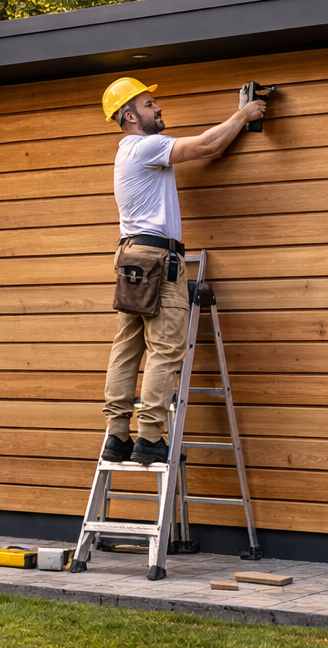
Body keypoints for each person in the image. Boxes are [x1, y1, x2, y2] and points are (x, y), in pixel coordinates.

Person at [97, 77, 267, 465]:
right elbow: (206, 144)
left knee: (127, 347)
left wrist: (233, 124)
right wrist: (245, 112)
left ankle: (118, 436)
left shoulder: (128, 152)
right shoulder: (148, 146)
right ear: (129, 115)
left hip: (130, 256)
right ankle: (151, 439)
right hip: (159, 260)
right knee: (165, 349)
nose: (157, 108)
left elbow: (213, 148)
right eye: (148, 103)